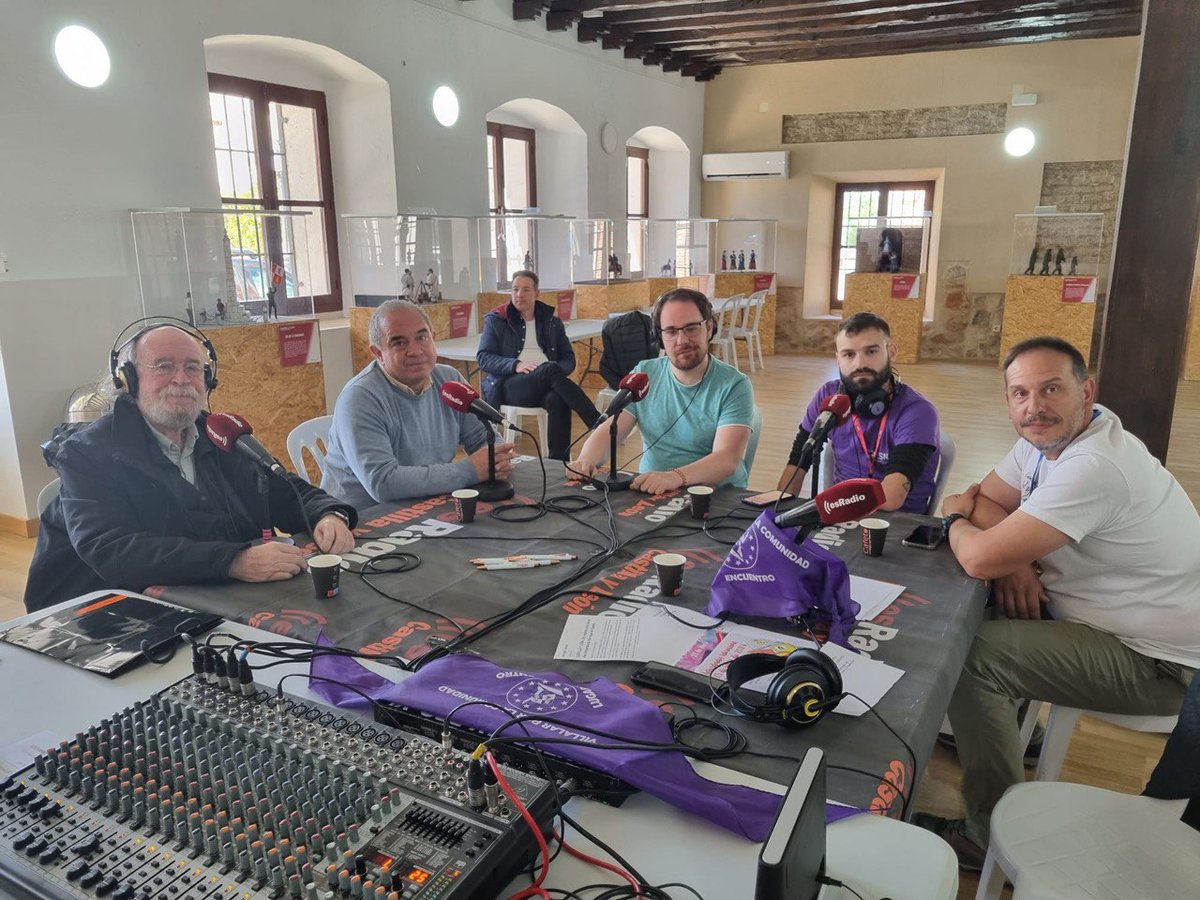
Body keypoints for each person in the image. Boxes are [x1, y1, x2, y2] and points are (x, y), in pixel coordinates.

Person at [912, 336, 1200, 869]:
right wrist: (1015, 561)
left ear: (1085, 391)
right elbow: (993, 498)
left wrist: (954, 518)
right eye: (1019, 393)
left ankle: (986, 831)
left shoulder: (1094, 465)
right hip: (1109, 622)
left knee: (971, 658)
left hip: (1161, 660)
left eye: (1050, 389)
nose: (1034, 406)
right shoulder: (1048, 438)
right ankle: (1019, 737)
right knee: (983, 601)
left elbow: (975, 549)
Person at [25, 321, 357, 613]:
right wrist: (233, 561)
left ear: (208, 379)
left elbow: (281, 492)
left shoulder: (219, 434)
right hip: (96, 615)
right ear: (129, 380)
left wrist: (326, 514)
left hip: (196, 598)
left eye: (193, 368)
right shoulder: (87, 454)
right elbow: (111, 549)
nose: (181, 379)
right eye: (164, 366)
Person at [321, 300, 514, 510]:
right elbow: (383, 483)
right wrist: (469, 471)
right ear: (377, 353)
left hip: (427, 505)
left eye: (422, 337)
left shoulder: (450, 380)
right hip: (359, 522)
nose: (414, 351)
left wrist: (495, 461)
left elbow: (482, 437)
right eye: (399, 343)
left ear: (433, 338)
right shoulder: (359, 398)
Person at [568, 288, 754, 493]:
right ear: (659, 335)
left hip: (714, 496)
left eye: (691, 328)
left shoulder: (735, 385)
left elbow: (726, 459)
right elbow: (611, 430)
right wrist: (586, 460)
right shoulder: (644, 374)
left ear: (709, 328)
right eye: (671, 331)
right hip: (652, 491)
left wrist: (675, 477)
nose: (682, 341)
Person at [776, 312, 940, 513]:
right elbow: (797, 463)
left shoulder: (918, 412)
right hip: (841, 514)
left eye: (871, 352)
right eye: (849, 354)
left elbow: (890, 499)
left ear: (892, 352)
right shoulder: (828, 396)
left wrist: (827, 507)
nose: (859, 363)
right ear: (838, 359)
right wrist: (778, 512)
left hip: (897, 525)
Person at [476, 270, 601, 461]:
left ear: (537, 293)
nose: (519, 294)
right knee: (549, 370)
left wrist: (554, 372)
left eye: (526, 290)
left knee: (557, 398)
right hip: (509, 385)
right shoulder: (497, 319)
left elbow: (569, 358)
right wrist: (514, 364)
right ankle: (598, 423)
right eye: (515, 289)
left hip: (544, 384)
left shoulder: (551, 321)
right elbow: (484, 357)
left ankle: (559, 464)